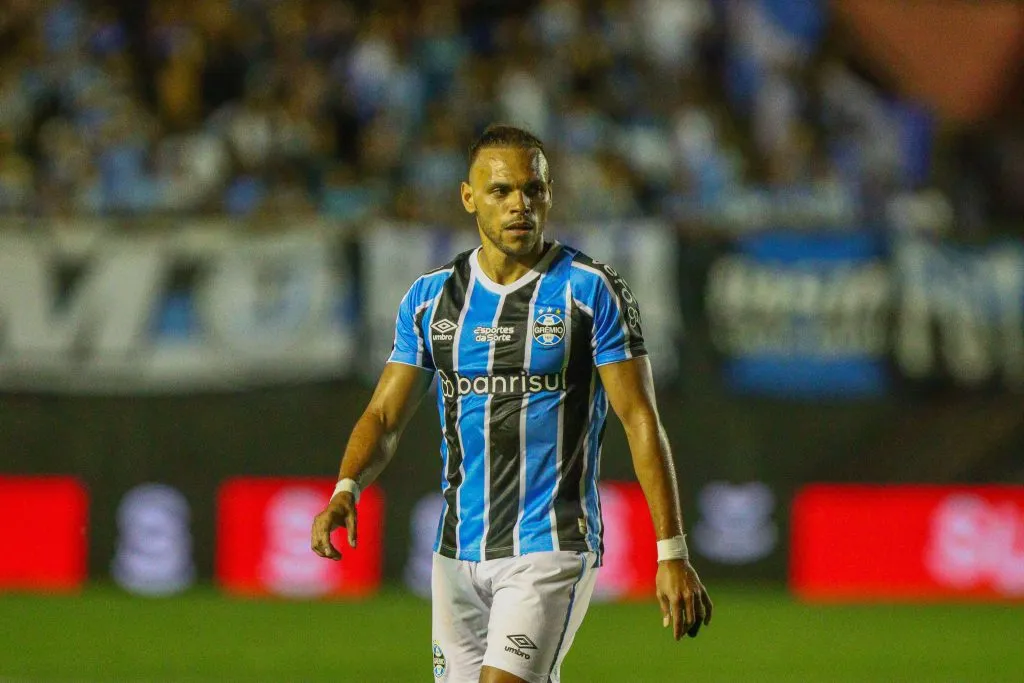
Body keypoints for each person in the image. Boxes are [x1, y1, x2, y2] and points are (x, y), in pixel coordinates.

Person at [311, 124, 712, 683]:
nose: (520, 205)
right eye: (501, 191)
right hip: (457, 550)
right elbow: (383, 416)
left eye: (534, 189)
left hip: (551, 542)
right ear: (468, 197)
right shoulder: (431, 300)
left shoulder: (589, 290)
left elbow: (639, 419)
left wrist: (671, 550)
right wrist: (346, 487)